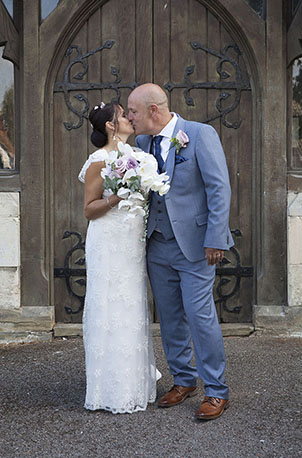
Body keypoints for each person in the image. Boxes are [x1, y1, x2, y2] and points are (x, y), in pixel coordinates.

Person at [126, 84, 233, 421]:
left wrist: (216, 237)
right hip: (156, 245)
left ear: (153, 111)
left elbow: (219, 187)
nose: (129, 117)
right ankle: (184, 380)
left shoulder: (200, 135)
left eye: (133, 111)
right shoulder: (142, 143)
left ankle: (216, 390)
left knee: (200, 317)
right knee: (170, 317)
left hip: (196, 246)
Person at [79, 102, 160, 413]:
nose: (129, 117)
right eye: (124, 115)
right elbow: (89, 209)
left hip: (131, 243)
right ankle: (109, 388)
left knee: (132, 306)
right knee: (110, 307)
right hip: (108, 241)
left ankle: (134, 381)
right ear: (111, 126)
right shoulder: (99, 161)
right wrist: (117, 195)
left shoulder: (139, 157)